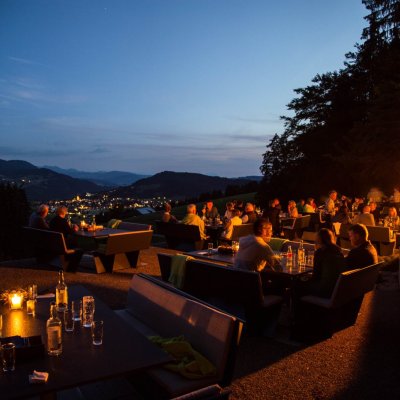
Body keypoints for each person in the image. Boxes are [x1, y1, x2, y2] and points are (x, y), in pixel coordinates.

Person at [297, 229, 346, 298]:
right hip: (336, 289)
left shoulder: (320, 252)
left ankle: (296, 307)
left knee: (297, 285)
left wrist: (306, 278)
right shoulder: (338, 250)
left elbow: (316, 275)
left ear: (318, 239)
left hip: (324, 290)